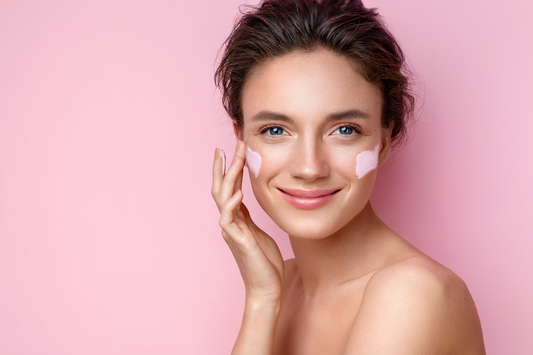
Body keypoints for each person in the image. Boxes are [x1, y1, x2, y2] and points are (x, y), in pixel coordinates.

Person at [211, 0, 486, 354]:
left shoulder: (413, 292)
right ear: (242, 139)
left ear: (384, 140)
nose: (310, 168)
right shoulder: (281, 283)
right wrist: (262, 301)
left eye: (344, 129)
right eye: (276, 130)